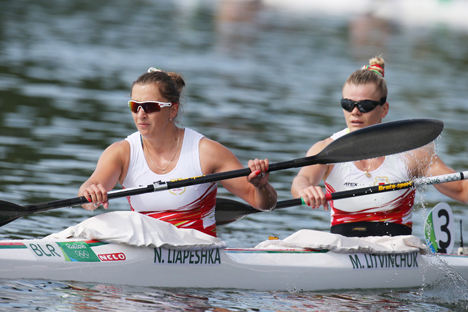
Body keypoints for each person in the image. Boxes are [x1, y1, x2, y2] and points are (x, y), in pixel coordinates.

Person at [78, 67, 277, 237]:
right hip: (146, 248)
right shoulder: (121, 153)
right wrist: (90, 196)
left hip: (198, 253)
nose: (141, 114)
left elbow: (265, 204)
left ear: (172, 111)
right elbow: (87, 194)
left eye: (149, 106)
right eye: (135, 106)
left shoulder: (206, 152)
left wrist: (261, 186)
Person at [291, 56, 468, 237]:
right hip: (342, 247)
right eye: (348, 104)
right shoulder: (326, 149)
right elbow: (301, 180)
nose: (355, 111)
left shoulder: (413, 153)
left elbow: (462, 189)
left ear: (384, 109)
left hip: (396, 250)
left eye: (365, 105)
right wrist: (305, 190)